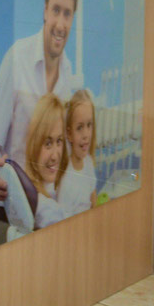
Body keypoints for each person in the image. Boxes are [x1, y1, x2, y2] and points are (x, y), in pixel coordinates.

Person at [0, 0, 81, 213]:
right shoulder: (17, 59)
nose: (60, 24)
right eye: (56, 10)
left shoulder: (67, 73)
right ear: (45, 10)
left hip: (36, 211)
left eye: (67, 14)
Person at [6, 94, 69, 240]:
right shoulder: (42, 206)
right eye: (48, 143)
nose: (55, 156)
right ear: (34, 144)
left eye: (59, 141)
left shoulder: (55, 187)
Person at [58, 88, 98, 217]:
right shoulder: (66, 181)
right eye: (79, 128)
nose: (86, 134)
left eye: (89, 125)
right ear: (69, 134)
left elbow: (93, 198)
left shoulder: (88, 162)